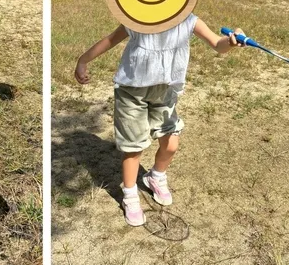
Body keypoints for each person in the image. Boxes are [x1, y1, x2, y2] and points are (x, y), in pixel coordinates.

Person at [74, 15, 244, 226]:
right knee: (134, 148)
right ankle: (130, 195)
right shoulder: (138, 19)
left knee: (171, 144)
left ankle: (155, 176)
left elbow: (218, 45)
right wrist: (83, 60)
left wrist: (231, 41)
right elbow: (110, 39)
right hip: (131, 93)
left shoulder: (189, 21)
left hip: (164, 94)